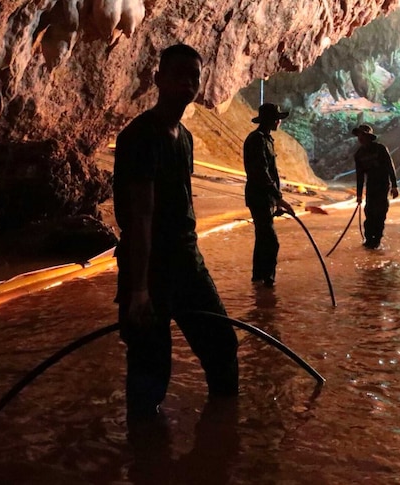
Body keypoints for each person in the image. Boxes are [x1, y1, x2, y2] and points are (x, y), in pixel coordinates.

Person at [112, 44, 239, 421]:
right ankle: (147, 459)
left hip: (187, 262)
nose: (187, 82)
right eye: (178, 74)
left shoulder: (184, 137)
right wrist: (138, 291)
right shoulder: (140, 136)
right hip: (149, 268)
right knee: (150, 372)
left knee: (222, 345)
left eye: (194, 76)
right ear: (158, 80)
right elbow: (140, 215)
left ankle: (223, 443)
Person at [243, 103, 294, 288]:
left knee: (263, 238)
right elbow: (261, 173)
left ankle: (258, 280)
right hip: (259, 196)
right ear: (271, 120)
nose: (279, 121)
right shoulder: (256, 139)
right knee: (271, 242)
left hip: (266, 197)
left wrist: (277, 201)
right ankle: (268, 282)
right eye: (277, 118)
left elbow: (271, 172)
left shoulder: (266, 139)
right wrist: (279, 198)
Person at [352, 124, 399, 249]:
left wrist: (394, 186)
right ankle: (368, 240)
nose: (360, 138)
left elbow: (390, 166)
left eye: (362, 135)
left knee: (380, 213)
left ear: (368, 136)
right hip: (371, 186)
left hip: (383, 186)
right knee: (369, 213)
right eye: (359, 135)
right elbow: (360, 176)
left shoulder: (380, 149)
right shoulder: (359, 154)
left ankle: (376, 240)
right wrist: (358, 194)